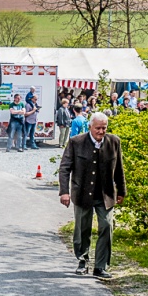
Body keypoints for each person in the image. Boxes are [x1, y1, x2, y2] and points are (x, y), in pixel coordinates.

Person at [58, 112, 126, 280]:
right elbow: (65, 168)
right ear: (90, 127)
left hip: (106, 194)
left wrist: (122, 191)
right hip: (82, 193)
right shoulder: (76, 142)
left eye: (104, 128)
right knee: (82, 228)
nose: (101, 131)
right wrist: (64, 192)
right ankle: (82, 261)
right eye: (98, 128)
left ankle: (101, 266)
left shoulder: (114, 142)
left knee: (106, 226)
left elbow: (119, 168)